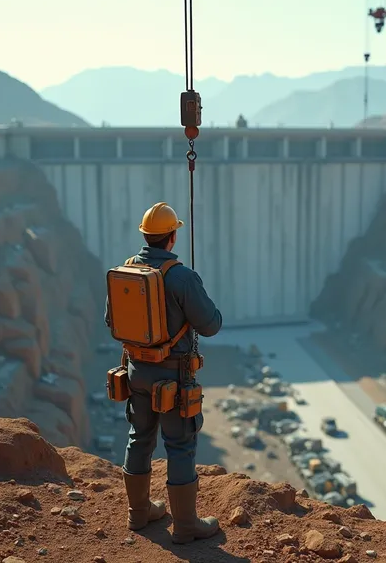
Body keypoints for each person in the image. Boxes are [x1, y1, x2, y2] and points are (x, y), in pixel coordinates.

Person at [104, 201, 223, 543]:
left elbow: (111, 322)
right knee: (180, 445)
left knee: (139, 438)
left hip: (136, 372)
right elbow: (210, 325)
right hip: (173, 380)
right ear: (172, 237)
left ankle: (139, 515)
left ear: (145, 236)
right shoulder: (182, 276)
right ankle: (186, 526)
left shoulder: (124, 270)